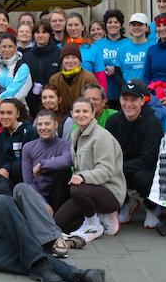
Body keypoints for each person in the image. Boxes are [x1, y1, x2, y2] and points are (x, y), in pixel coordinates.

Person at [52, 97, 126, 243]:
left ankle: (94, 225)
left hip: (109, 192)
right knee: (59, 224)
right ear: (72, 114)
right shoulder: (76, 134)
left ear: (93, 114)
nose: (81, 115)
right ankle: (98, 218)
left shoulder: (101, 136)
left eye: (86, 111)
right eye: (77, 111)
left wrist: (84, 177)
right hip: (89, 190)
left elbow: (106, 170)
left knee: (76, 189)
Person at [106, 80, 164, 229]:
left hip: (146, 170)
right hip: (122, 167)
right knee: (104, 173)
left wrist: (116, 167)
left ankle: (152, 207)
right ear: (119, 100)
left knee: (142, 178)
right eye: (125, 99)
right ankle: (126, 202)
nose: (129, 104)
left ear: (142, 100)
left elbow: (148, 161)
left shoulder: (152, 123)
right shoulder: (112, 121)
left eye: (134, 99)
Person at [21, 109, 72, 212]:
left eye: (47, 124)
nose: (43, 128)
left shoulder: (65, 145)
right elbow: (28, 181)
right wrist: (43, 203)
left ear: (56, 124)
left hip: (58, 195)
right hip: (37, 195)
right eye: (40, 124)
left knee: (63, 173)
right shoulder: (28, 147)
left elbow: (67, 161)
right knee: (21, 187)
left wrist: (42, 165)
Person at [47, 42, 99, 118]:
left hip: (83, 116)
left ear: (80, 61)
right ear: (62, 61)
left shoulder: (89, 78)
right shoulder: (54, 79)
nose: (70, 61)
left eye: (74, 57)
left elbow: (95, 102)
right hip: (61, 118)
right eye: (67, 57)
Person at [0, 98, 38, 185]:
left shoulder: (29, 131)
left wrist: (7, 167)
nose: (5, 117)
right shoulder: (0, 137)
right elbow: (3, 161)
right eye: (2, 113)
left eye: (9, 113)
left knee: (17, 166)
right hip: (10, 174)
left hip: (28, 175)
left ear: (17, 114)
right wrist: (4, 169)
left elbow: (28, 160)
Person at [22, 22, 61, 116]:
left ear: (49, 34)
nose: (40, 35)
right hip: (32, 102)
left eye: (44, 32)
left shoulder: (58, 54)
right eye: (37, 32)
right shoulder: (27, 56)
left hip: (53, 102)